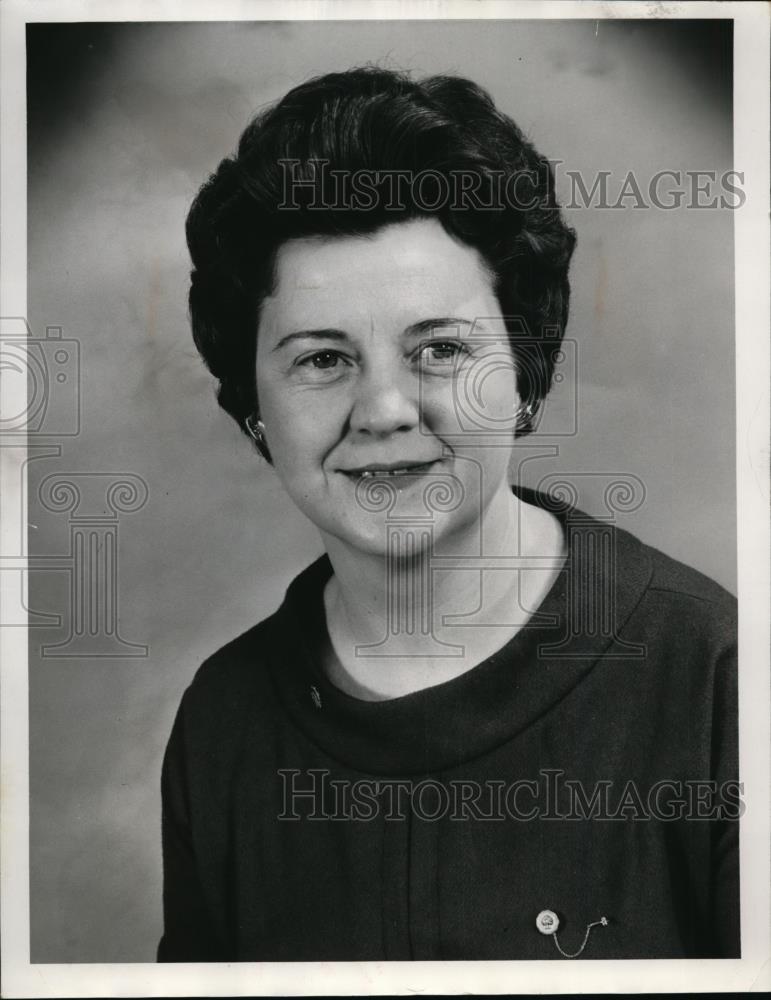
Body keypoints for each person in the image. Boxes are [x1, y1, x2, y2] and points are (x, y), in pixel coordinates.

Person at [158, 67, 739, 961]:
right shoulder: (223, 723)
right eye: (321, 359)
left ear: (523, 374)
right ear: (251, 408)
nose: (385, 408)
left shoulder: (717, 683)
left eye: (439, 348)